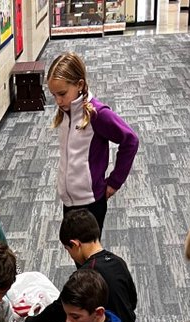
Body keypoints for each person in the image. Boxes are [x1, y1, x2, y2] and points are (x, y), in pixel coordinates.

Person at [46, 52, 139, 232]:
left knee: (88, 257)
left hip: (90, 203)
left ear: (79, 84)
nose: (58, 101)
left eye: (62, 94)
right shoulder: (67, 111)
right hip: (69, 200)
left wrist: (114, 182)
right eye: (53, 95)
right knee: (75, 252)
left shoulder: (97, 114)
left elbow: (130, 140)